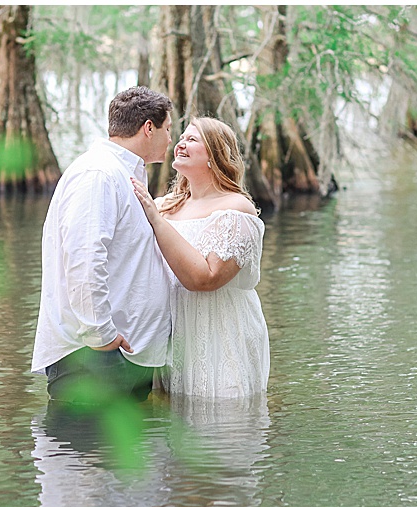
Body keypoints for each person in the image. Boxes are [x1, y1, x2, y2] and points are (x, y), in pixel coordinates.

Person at [30, 86, 175, 405]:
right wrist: (102, 335)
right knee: (88, 451)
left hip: (122, 357)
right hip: (95, 359)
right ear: (148, 128)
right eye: (167, 130)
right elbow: (84, 258)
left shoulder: (122, 175)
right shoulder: (99, 174)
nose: (170, 140)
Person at [131, 116, 270, 398]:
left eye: (192, 140)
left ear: (215, 155)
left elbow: (205, 279)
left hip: (221, 330)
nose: (180, 144)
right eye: (181, 138)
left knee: (224, 421)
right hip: (175, 331)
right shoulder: (165, 205)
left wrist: (156, 221)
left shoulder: (235, 208)